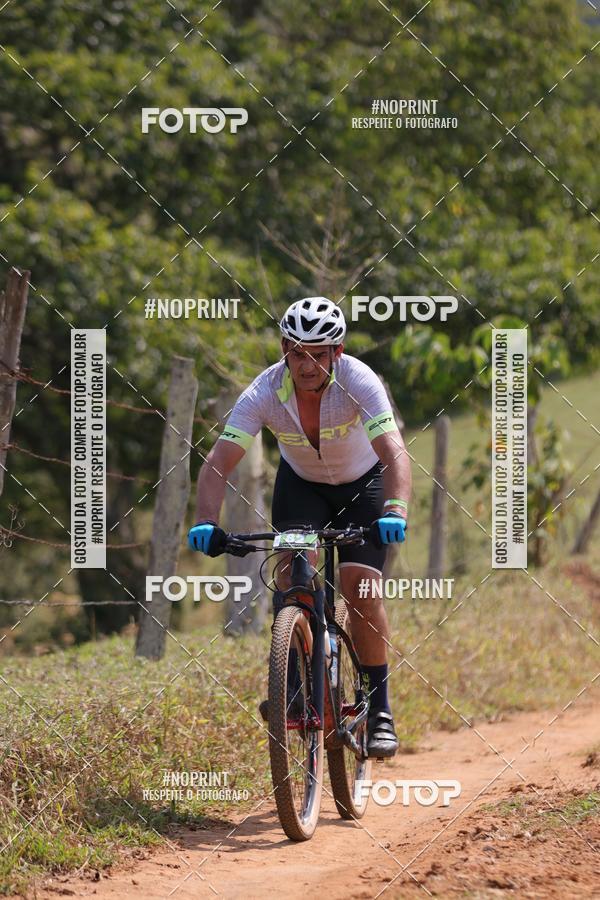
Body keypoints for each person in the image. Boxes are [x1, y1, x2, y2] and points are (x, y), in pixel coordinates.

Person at [188, 296, 411, 757]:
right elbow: (218, 463)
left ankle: (381, 708)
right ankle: (291, 680)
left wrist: (396, 510)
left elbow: (393, 453)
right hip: (303, 486)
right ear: (284, 350)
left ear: (338, 352)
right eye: (296, 352)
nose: (306, 364)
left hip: (362, 487)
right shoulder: (264, 391)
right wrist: (206, 521)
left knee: (361, 585)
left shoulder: (360, 382)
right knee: (291, 567)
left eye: (318, 353)